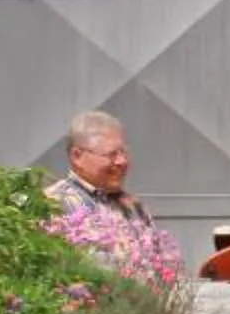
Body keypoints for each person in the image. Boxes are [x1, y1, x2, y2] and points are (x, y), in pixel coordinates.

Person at [45, 109, 178, 285]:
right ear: (77, 156)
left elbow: (162, 264)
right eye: (112, 154)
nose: (121, 161)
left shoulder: (133, 206)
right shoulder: (54, 203)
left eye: (124, 153)